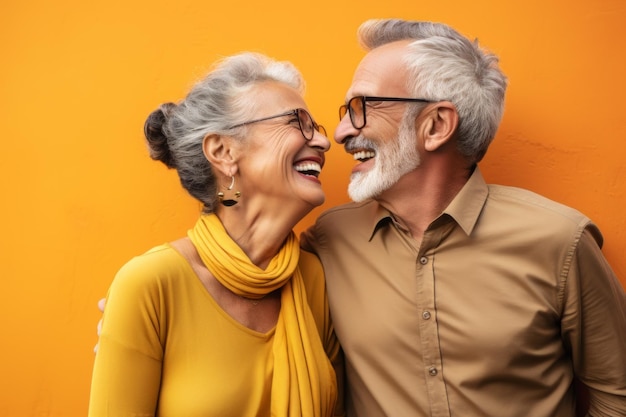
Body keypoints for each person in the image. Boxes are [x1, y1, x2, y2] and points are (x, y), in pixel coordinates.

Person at [299, 19, 626, 416]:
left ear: (436, 125)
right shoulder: (332, 238)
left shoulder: (561, 241)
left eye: (362, 107)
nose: (340, 131)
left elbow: (615, 395)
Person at [89, 52, 344, 417]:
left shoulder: (313, 279)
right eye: (296, 123)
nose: (322, 143)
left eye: (315, 128)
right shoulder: (150, 284)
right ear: (224, 152)